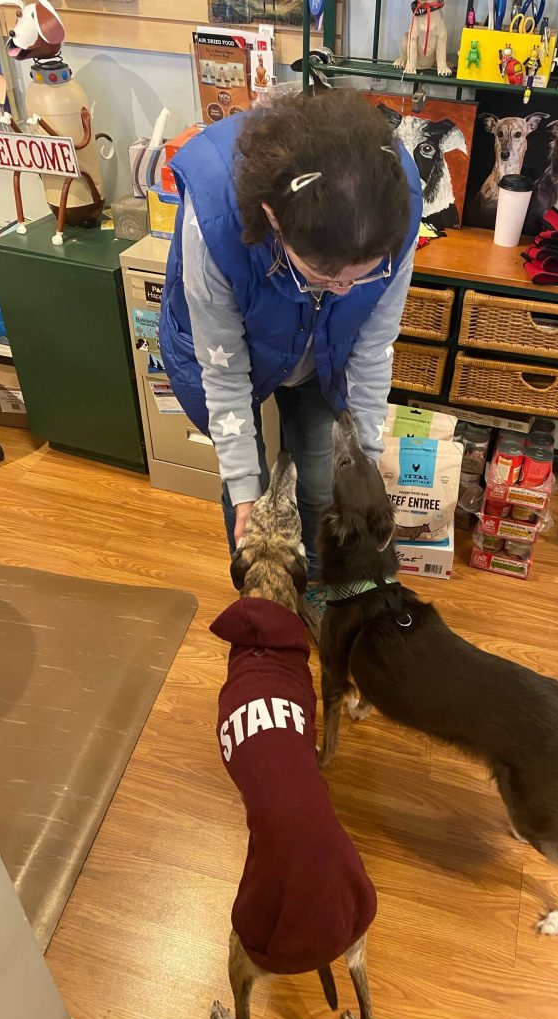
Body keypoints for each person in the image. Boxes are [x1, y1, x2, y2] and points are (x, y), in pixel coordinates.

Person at [160, 89, 422, 636]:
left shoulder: (392, 207)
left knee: (325, 485)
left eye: (362, 277)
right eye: (326, 276)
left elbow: (374, 346)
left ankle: (321, 591)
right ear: (273, 218)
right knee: (249, 495)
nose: (345, 289)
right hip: (227, 355)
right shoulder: (213, 220)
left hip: (323, 353)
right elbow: (223, 373)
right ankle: (266, 605)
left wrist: (366, 459)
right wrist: (243, 489)